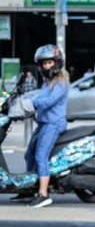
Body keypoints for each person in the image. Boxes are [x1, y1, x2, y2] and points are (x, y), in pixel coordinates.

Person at [13, 45, 70, 208]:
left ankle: (44, 194)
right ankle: (30, 188)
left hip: (53, 124)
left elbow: (50, 100)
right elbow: (39, 95)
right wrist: (21, 99)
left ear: (57, 63)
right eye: (44, 63)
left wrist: (31, 103)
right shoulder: (47, 81)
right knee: (28, 156)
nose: (46, 66)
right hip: (44, 123)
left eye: (49, 63)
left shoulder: (61, 82)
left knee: (40, 156)